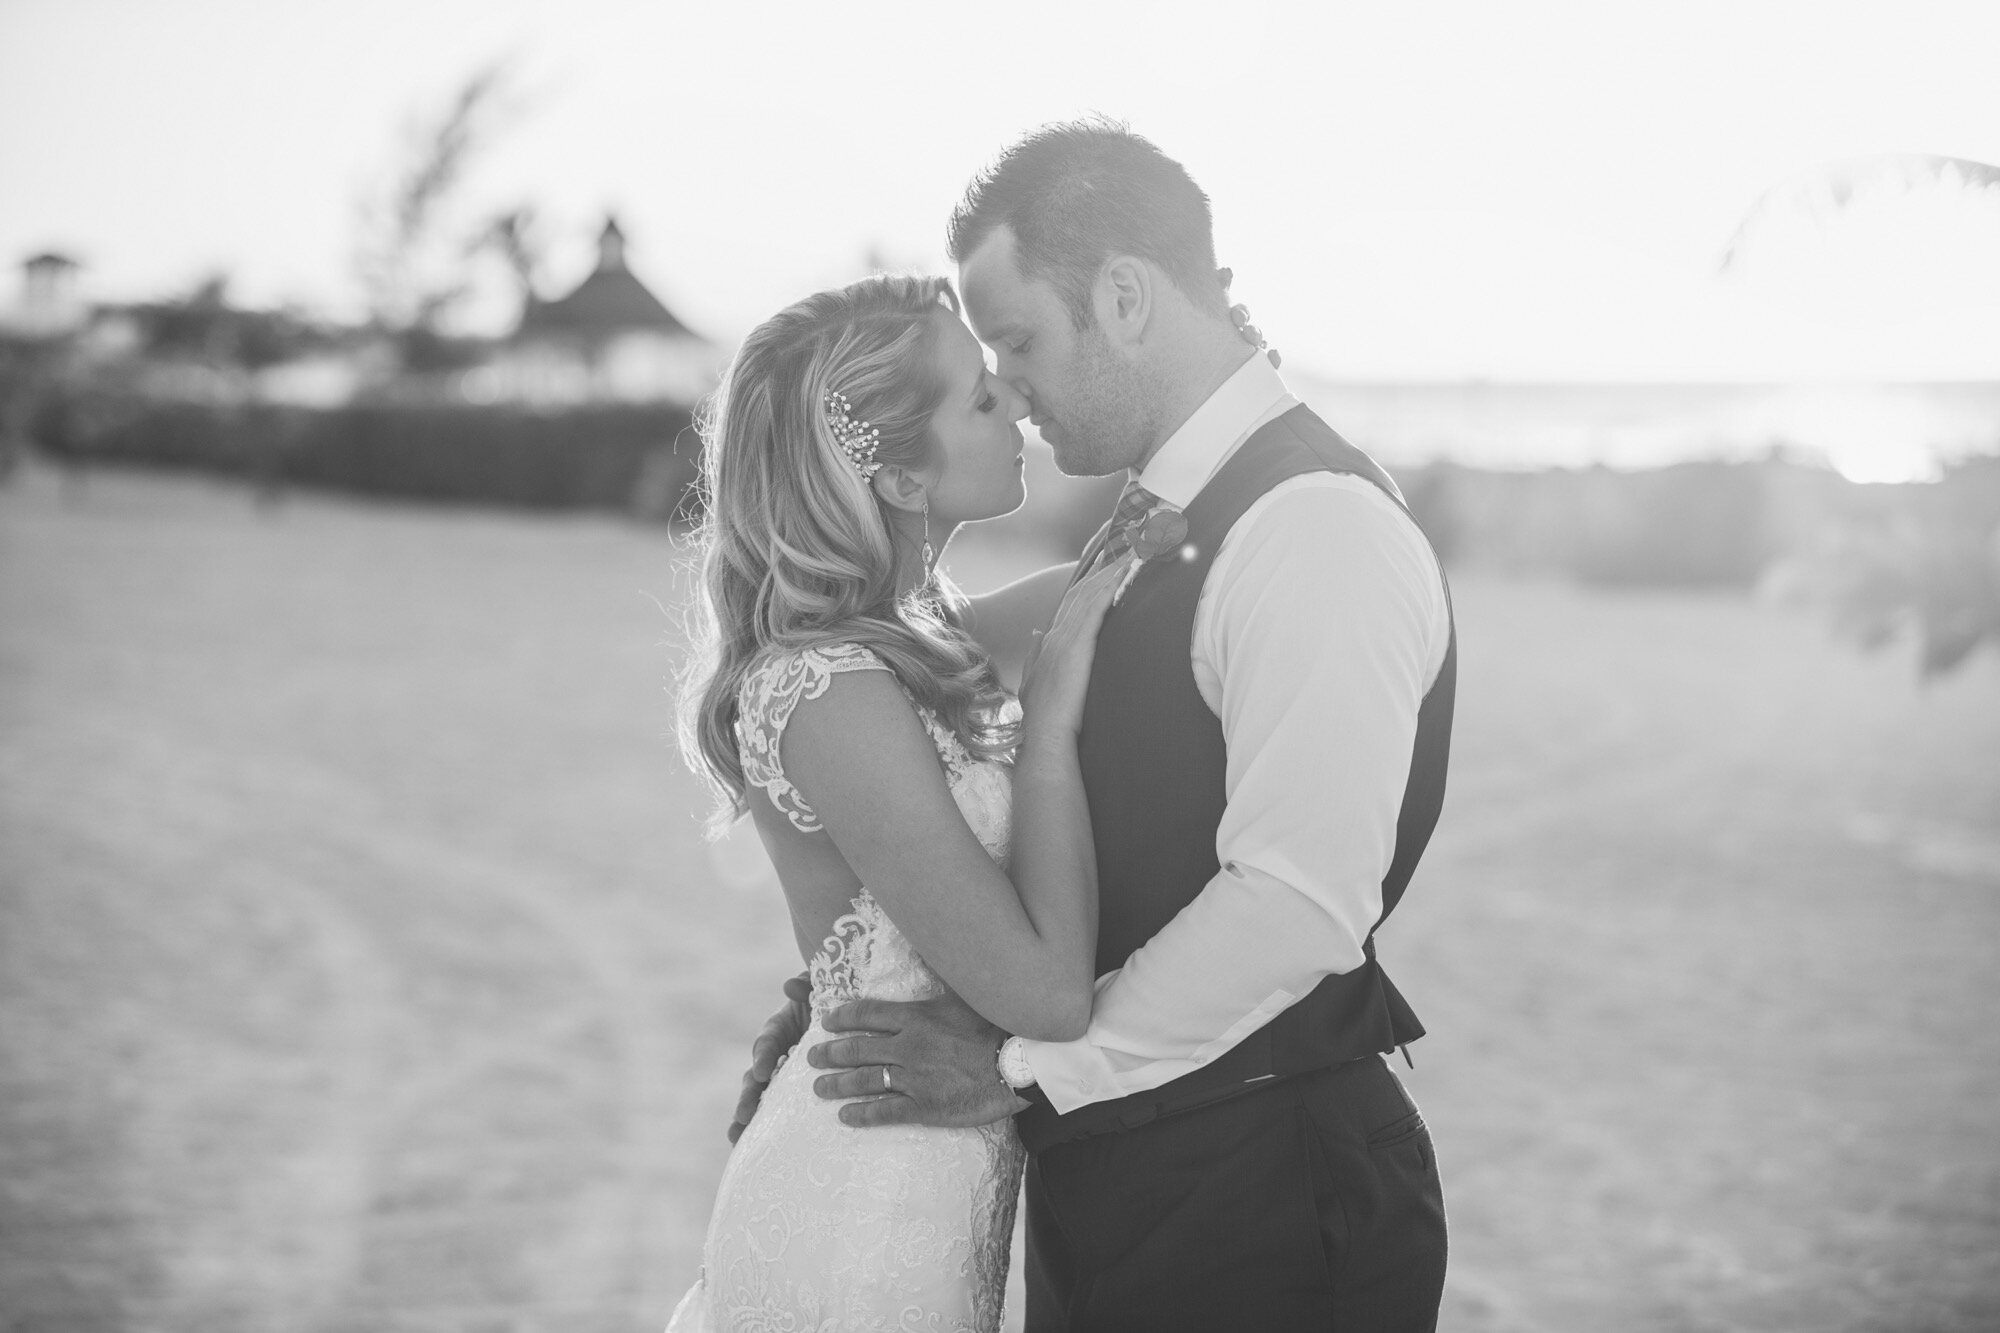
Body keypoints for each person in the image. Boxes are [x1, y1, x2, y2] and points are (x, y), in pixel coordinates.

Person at [736, 119, 1459, 1329]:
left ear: (1121, 298)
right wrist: (842, 971)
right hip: (1098, 1194)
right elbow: (890, 703)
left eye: (1014, 342)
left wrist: (1018, 1069)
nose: (1006, 387)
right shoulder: (1150, 528)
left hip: (1267, 1207)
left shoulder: (1309, 528)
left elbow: (1299, 899)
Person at [666, 272, 1132, 1331]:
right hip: (860, 1207)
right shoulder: (827, 688)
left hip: (931, 1194)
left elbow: (1110, 581)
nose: (1013, 400)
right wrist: (1047, 731)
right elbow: (1050, 1000)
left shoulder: (925, 646)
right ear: (904, 479)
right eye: (977, 396)